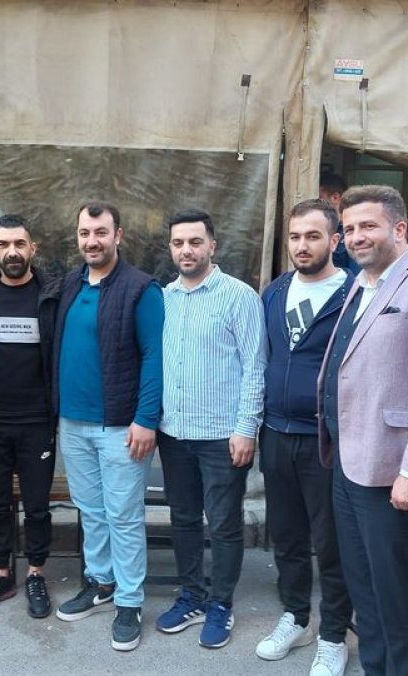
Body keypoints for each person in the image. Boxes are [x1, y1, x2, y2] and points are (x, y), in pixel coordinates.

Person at [317, 185, 408, 675]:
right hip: (348, 460)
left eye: (368, 226)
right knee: (364, 588)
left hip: (392, 470)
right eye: (350, 228)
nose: (357, 236)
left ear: (399, 228)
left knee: (395, 595)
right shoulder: (361, 281)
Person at [51, 201, 164, 652]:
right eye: (85, 233)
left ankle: (130, 601)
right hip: (72, 422)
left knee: (123, 515)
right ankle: (101, 582)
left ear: (118, 235)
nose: (92, 241)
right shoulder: (70, 283)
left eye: (100, 232)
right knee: (91, 510)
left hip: (120, 425)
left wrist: (146, 419)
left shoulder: (142, 289)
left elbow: (155, 356)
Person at [153, 209, 265, 650]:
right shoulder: (164, 298)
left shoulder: (238, 296)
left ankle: (221, 603)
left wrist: (246, 428)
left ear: (212, 246)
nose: (186, 250)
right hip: (174, 433)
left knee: (223, 524)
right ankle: (191, 597)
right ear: (170, 248)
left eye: (195, 242)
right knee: (182, 519)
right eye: (178, 242)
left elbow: (255, 367)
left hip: (222, 435)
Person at [254, 199, 354, 675]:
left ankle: (334, 636)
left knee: (331, 545)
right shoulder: (274, 292)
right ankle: (296, 617)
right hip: (277, 433)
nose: (301, 245)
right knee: (288, 538)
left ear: (334, 240)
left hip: (325, 441)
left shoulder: (354, 294)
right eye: (295, 236)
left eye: (313, 236)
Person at [0, 214, 61, 618]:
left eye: (20, 244)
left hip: (37, 421)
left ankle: (36, 574)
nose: (12, 252)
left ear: (32, 248)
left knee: (37, 505)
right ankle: (0, 573)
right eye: (4, 245)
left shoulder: (52, 294)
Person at [319, 173, 359, 275]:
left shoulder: (356, 230)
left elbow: (357, 275)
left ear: (335, 197)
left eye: (320, 199)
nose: (316, 204)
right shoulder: (325, 227)